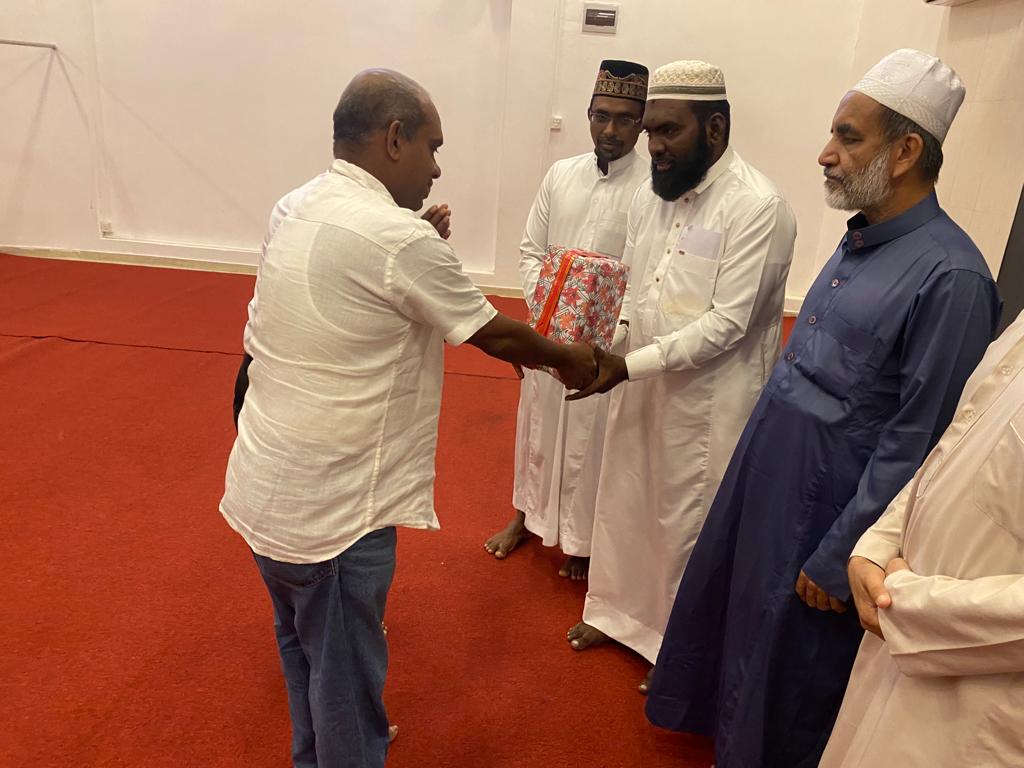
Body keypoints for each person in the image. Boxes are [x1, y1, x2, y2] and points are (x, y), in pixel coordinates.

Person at [220, 69, 597, 768]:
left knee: (303, 649)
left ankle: (316, 755)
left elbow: (349, 275)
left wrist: (413, 238)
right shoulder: (396, 240)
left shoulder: (296, 205)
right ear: (394, 138)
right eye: (432, 146)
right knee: (345, 679)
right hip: (334, 516)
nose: (437, 167)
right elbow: (495, 334)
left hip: (263, 489)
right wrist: (576, 361)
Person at [645, 49, 1001, 768]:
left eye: (848, 137)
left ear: (905, 152)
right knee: (743, 629)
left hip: (825, 514)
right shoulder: (860, 237)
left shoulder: (953, 277)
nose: (826, 154)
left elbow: (920, 438)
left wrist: (843, 552)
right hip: (770, 484)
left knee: (794, 673)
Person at [564, 60, 797, 689]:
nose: (655, 147)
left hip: (708, 403)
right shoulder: (654, 193)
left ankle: (675, 647)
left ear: (715, 128)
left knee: (684, 522)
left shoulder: (759, 206)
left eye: (669, 131)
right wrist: (606, 345)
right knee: (625, 498)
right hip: (639, 380)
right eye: (651, 133)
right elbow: (636, 289)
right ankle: (616, 614)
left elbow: (728, 323)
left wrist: (627, 365)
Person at [820, 308, 1024, 767]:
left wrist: (911, 604)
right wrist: (876, 545)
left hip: (981, 707)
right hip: (893, 646)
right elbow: (958, 443)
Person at [483, 59, 649, 581]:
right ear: (588, 114)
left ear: (642, 122)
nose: (610, 130)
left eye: (624, 119)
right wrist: (549, 317)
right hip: (548, 330)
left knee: (588, 436)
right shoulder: (561, 174)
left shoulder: (651, 188)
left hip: (603, 343)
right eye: (601, 116)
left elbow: (643, 273)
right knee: (535, 423)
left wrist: (608, 336)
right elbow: (531, 251)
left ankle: (579, 541)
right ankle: (524, 517)